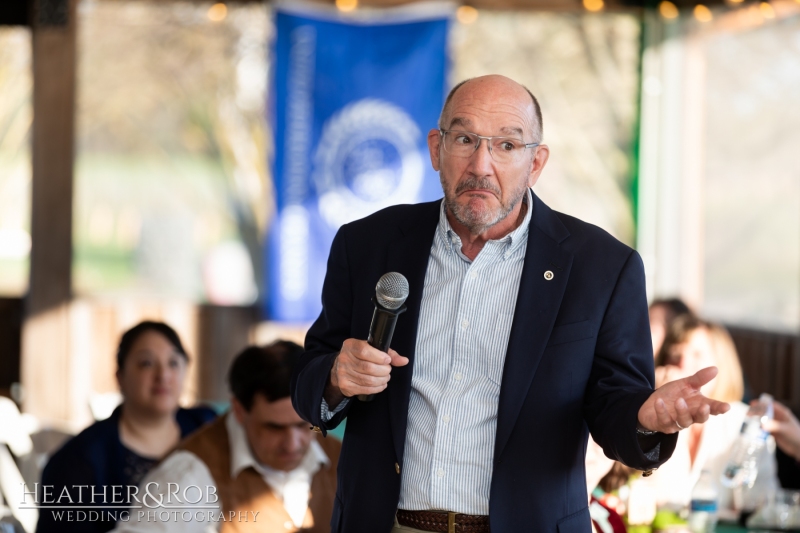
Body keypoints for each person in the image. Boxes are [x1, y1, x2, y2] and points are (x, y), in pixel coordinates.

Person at [291, 74, 730, 533]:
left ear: (536, 163)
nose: (481, 164)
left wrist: (647, 419)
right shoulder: (366, 244)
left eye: (506, 146)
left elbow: (616, 403)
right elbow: (309, 379)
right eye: (464, 139)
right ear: (436, 149)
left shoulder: (601, 267)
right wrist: (336, 379)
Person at [114, 341, 341, 533]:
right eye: (274, 428)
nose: (292, 443)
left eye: (303, 426)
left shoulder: (344, 459)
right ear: (240, 411)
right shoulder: (191, 474)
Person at [36, 321, 216, 533]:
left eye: (173, 363)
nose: (163, 375)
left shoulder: (208, 430)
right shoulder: (77, 461)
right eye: (146, 363)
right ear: (120, 376)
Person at [651, 316, 777, 511]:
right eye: (675, 354)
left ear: (721, 364)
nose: (682, 365)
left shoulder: (744, 424)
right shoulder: (648, 420)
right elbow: (655, 500)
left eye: (697, 354)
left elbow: (761, 507)